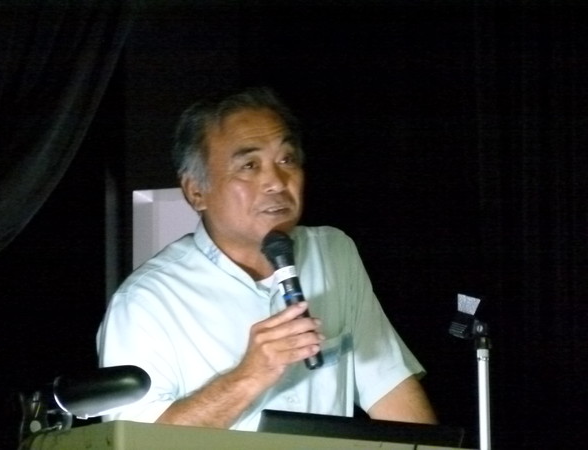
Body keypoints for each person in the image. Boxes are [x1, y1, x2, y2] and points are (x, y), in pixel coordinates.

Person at [97, 87, 437, 431]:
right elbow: (131, 440)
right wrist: (250, 375)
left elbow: (390, 388)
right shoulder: (146, 300)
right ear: (196, 192)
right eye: (249, 165)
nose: (276, 182)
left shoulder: (334, 253)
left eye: (287, 160)